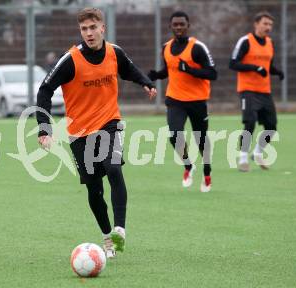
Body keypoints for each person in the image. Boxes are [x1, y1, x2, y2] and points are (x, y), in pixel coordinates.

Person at [36, 7, 156, 258]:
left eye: (93, 27)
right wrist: (44, 129)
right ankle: (106, 238)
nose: (89, 33)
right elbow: (45, 90)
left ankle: (119, 229)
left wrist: (145, 82)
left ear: (103, 28)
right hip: (80, 133)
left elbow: (129, 69)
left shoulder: (115, 53)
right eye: (84, 29)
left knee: (114, 167)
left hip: (109, 123)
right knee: (94, 190)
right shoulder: (70, 59)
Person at [148, 11, 217, 192]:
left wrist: (190, 69)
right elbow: (169, 70)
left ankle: (207, 172)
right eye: (175, 24)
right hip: (175, 99)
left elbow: (212, 73)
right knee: (174, 135)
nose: (178, 27)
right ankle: (188, 166)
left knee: (200, 139)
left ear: (188, 26)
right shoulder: (166, 47)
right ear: (170, 26)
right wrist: (156, 75)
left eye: (182, 24)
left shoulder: (197, 47)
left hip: (197, 101)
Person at [229, 11, 284, 172]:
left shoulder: (270, 43)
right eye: (265, 23)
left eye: (270, 25)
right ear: (256, 24)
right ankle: (243, 158)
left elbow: (268, 67)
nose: (268, 27)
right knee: (250, 122)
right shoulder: (245, 41)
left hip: (264, 91)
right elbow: (233, 63)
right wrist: (254, 68)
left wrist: (277, 72)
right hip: (247, 90)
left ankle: (258, 153)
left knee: (272, 126)